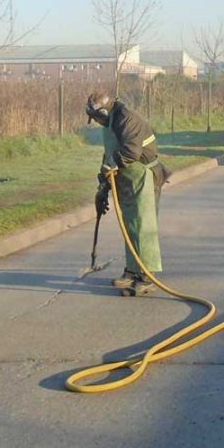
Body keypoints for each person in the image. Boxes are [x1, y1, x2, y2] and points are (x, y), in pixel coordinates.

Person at [86, 91, 167, 295]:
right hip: (126, 179)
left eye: (96, 117)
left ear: (103, 111)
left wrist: (111, 166)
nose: (96, 122)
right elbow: (110, 153)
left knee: (143, 226)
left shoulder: (127, 119)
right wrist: (103, 185)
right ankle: (132, 271)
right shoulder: (110, 122)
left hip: (143, 177)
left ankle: (147, 276)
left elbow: (131, 151)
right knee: (130, 226)